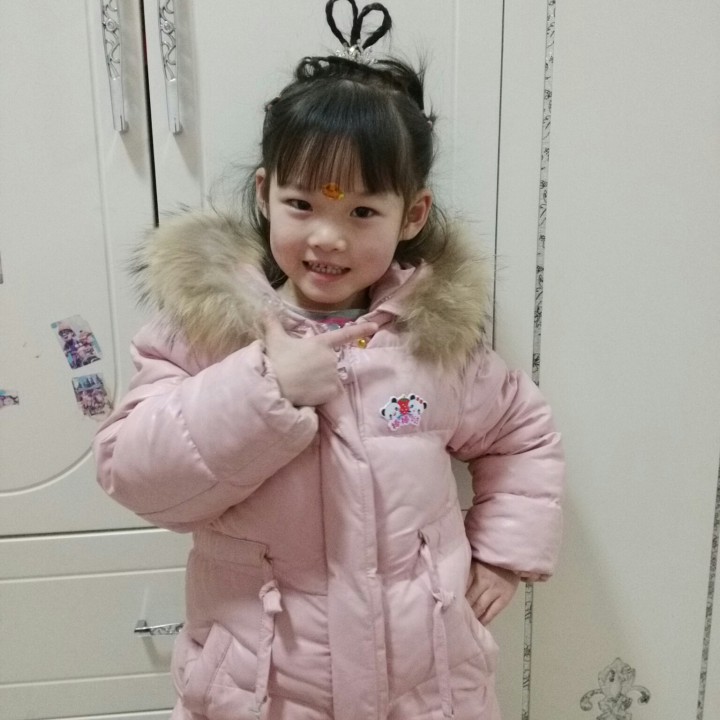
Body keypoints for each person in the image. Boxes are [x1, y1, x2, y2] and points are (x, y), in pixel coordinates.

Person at [94, 2, 564, 718]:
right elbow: (135, 476)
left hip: (425, 688)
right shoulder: (210, 331)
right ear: (265, 196)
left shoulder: (435, 341)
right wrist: (265, 391)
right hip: (266, 689)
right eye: (302, 204)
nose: (328, 238)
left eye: (362, 212)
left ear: (412, 215)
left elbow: (520, 434)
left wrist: (503, 553)